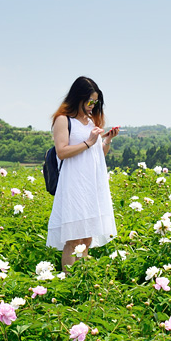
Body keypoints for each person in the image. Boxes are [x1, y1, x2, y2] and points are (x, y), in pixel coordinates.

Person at [46, 76, 119, 268]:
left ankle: (82, 280)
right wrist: (88, 142)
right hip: (74, 185)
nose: (92, 106)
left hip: (91, 185)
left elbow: (97, 155)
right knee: (73, 240)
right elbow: (61, 152)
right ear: (77, 98)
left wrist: (107, 141)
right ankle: (69, 283)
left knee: (86, 239)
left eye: (95, 102)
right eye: (89, 101)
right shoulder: (63, 120)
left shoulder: (91, 121)